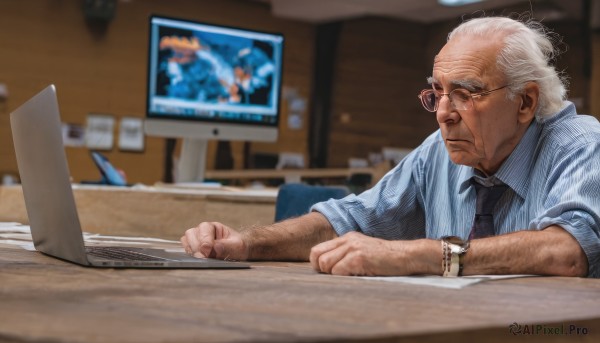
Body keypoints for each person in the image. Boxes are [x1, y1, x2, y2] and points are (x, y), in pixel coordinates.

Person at [181, 16, 600, 278]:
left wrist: (415, 255)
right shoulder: (438, 151)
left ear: (524, 102)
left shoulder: (580, 143)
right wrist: (247, 242)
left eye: (466, 94)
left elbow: (564, 251)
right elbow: (349, 219)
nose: (443, 113)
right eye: (437, 93)